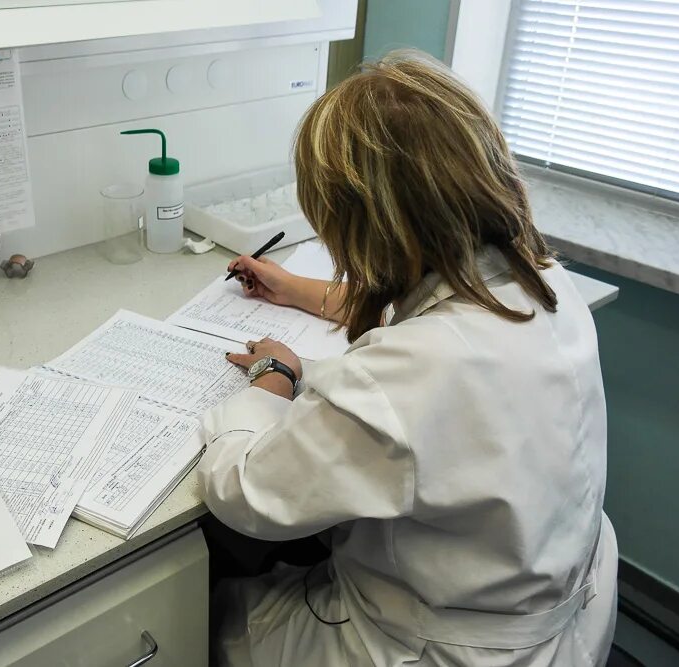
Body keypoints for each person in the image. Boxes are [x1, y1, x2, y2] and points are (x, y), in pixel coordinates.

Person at [198, 51, 618, 666]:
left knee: (210, 612)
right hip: (560, 608)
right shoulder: (546, 284)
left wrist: (273, 379)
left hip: (436, 646)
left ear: (358, 225)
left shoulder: (415, 371)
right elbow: (430, 319)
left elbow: (246, 494)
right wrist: (296, 290)